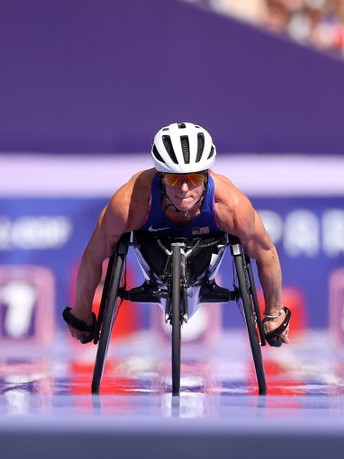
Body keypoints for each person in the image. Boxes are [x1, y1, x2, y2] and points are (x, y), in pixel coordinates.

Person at [62, 121, 291, 346]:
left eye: (193, 179)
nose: (184, 189)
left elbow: (266, 252)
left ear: (207, 175)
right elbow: (93, 255)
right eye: (173, 179)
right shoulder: (129, 203)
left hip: (206, 252)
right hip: (152, 250)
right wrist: (81, 310)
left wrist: (274, 313)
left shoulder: (232, 206)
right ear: (161, 177)